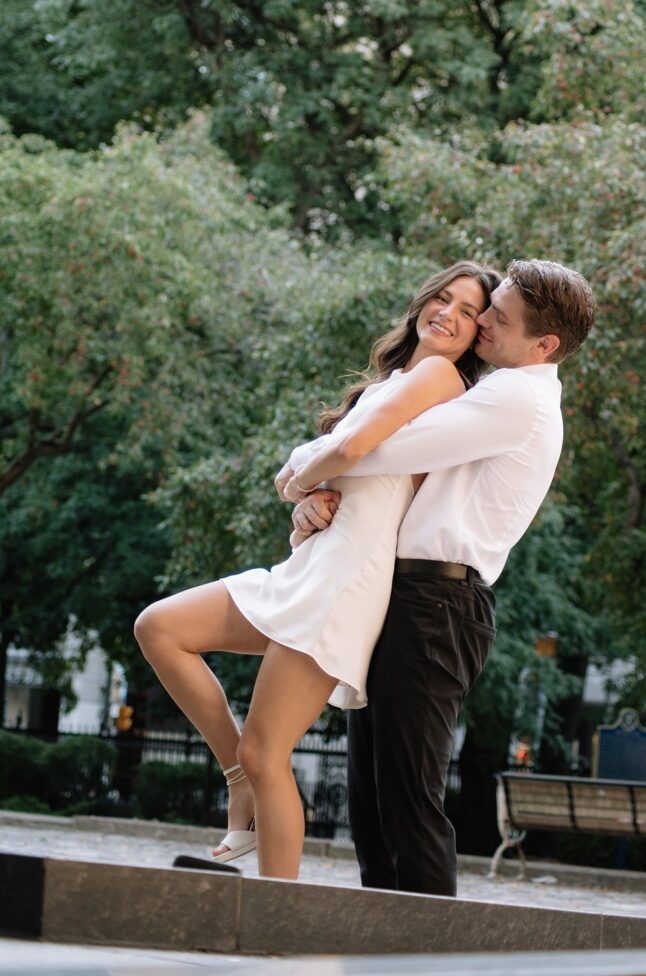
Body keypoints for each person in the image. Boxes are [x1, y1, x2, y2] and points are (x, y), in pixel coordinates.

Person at [134, 260, 501, 881]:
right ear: (420, 304)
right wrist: (307, 497)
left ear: (475, 339)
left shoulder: (440, 376)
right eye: (443, 298)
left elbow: (350, 451)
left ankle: (279, 918)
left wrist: (298, 481)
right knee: (160, 629)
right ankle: (238, 783)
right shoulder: (389, 382)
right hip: (311, 565)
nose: (449, 314)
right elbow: (333, 467)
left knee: (267, 750)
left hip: (345, 581)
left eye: (468, 312)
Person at [287, 258, 597, 897]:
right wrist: (307, 490)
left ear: (545, 345)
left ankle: (431, 959)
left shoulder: (518, 396)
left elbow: (378, 448)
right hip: (409, 595)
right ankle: (386, 953)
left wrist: (296, 470)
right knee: (374, 805)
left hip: (438, 603)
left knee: (407, 801)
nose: (481, 320)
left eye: (498, 317)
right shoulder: (502, 389)